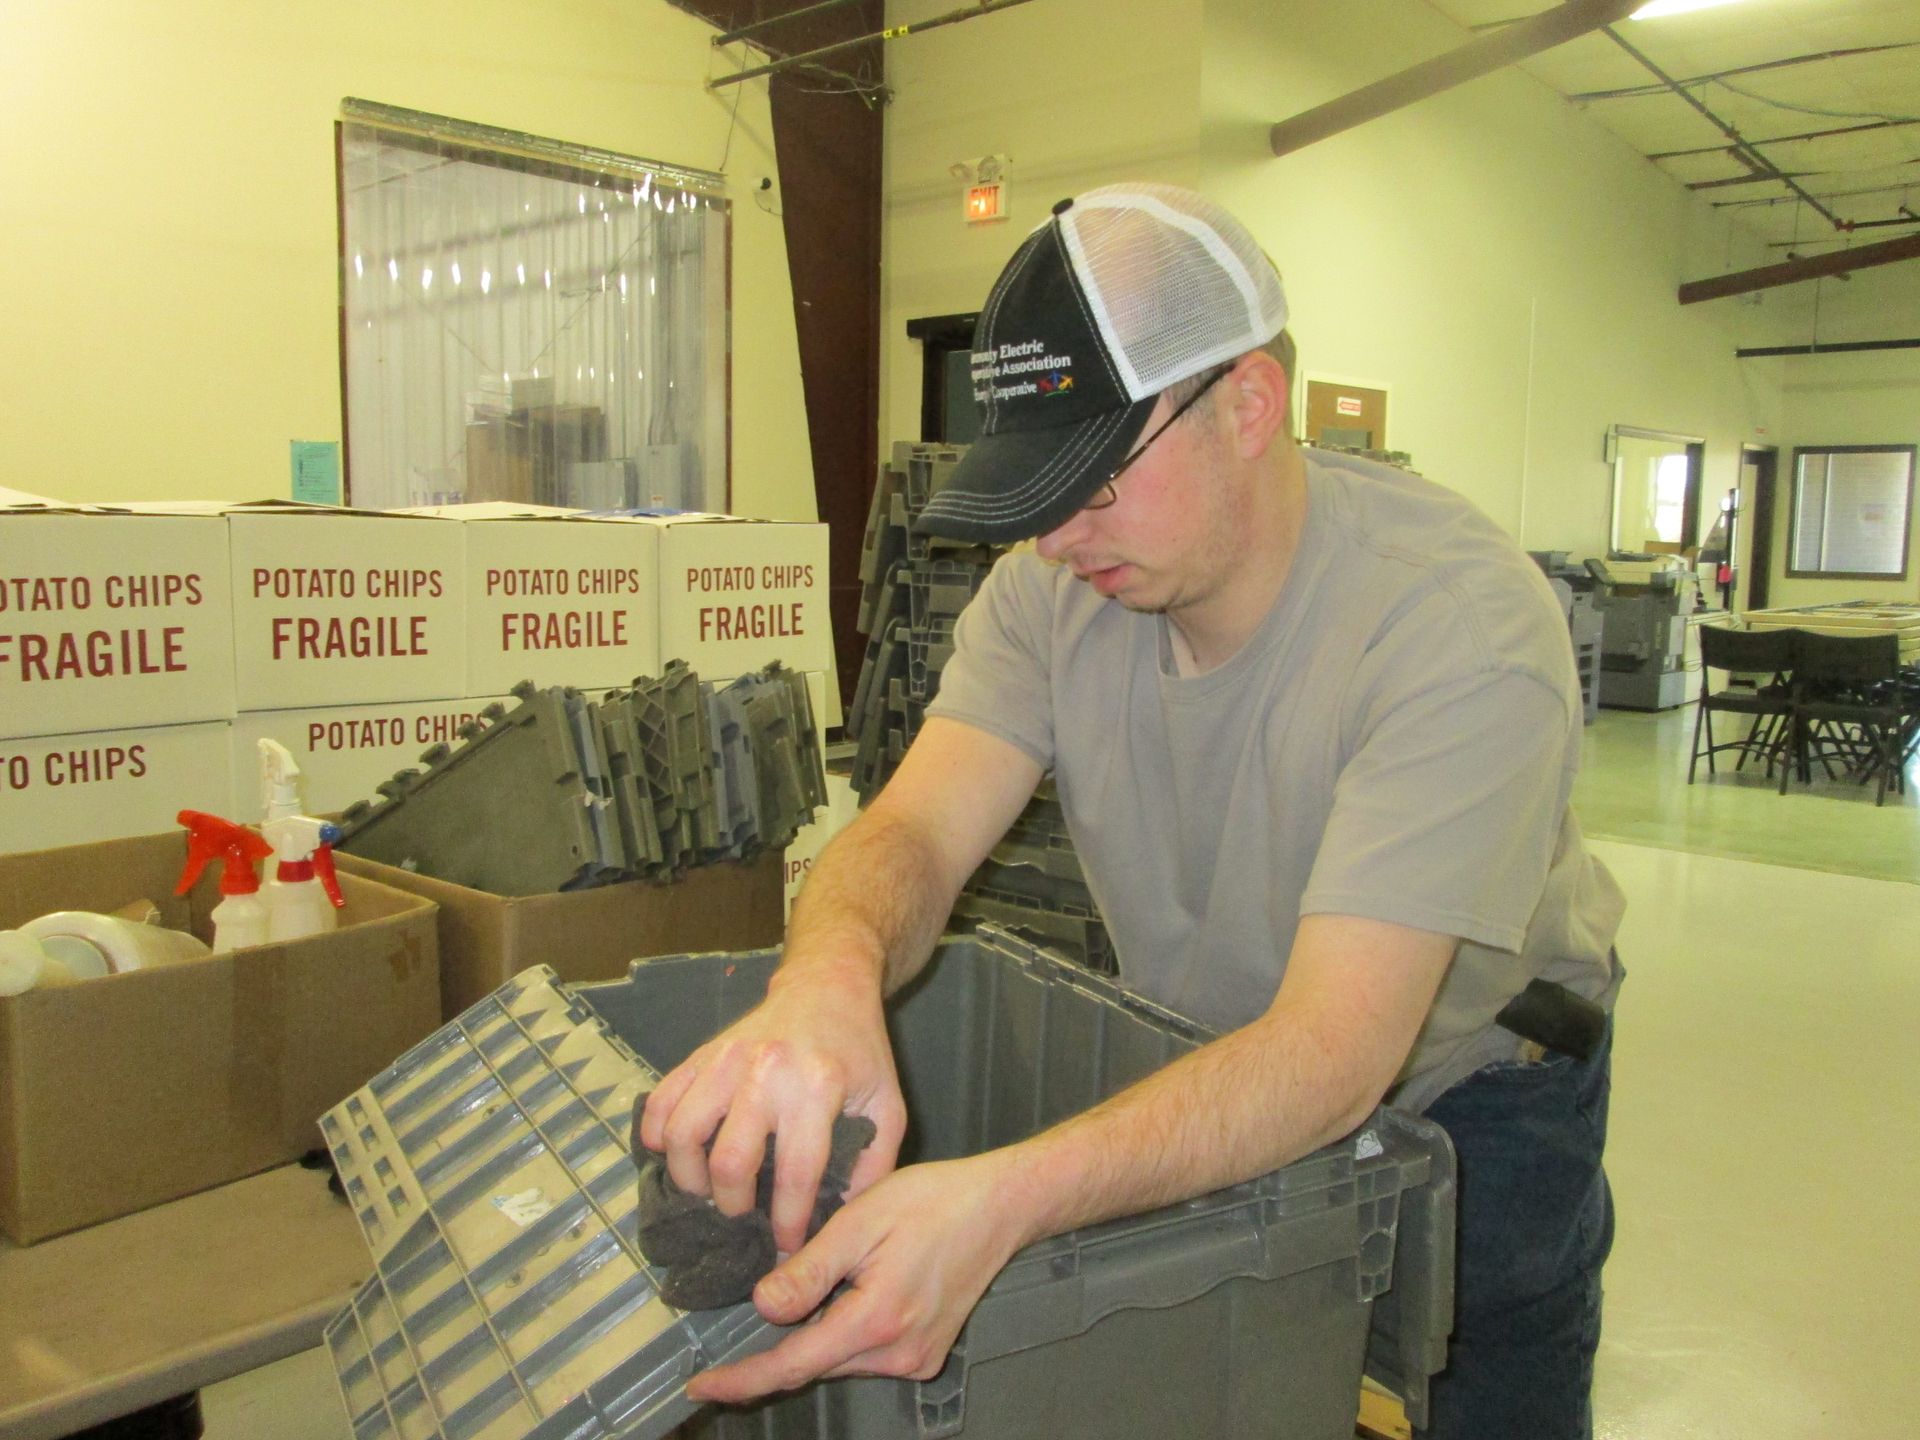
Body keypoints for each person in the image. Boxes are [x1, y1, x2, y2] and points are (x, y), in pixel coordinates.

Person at [639, 182, 1625, 1439]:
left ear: (1250, 406)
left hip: (1475, 1094)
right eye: (1033, 488)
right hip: (1214, 1056)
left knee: (1472, 1393)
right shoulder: (1054, 587)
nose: (1055, 536)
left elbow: (1333, 1055)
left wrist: (999, 1202)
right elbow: (913, 832)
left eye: (1094, 482)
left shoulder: (1459, 630)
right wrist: (825, 983)